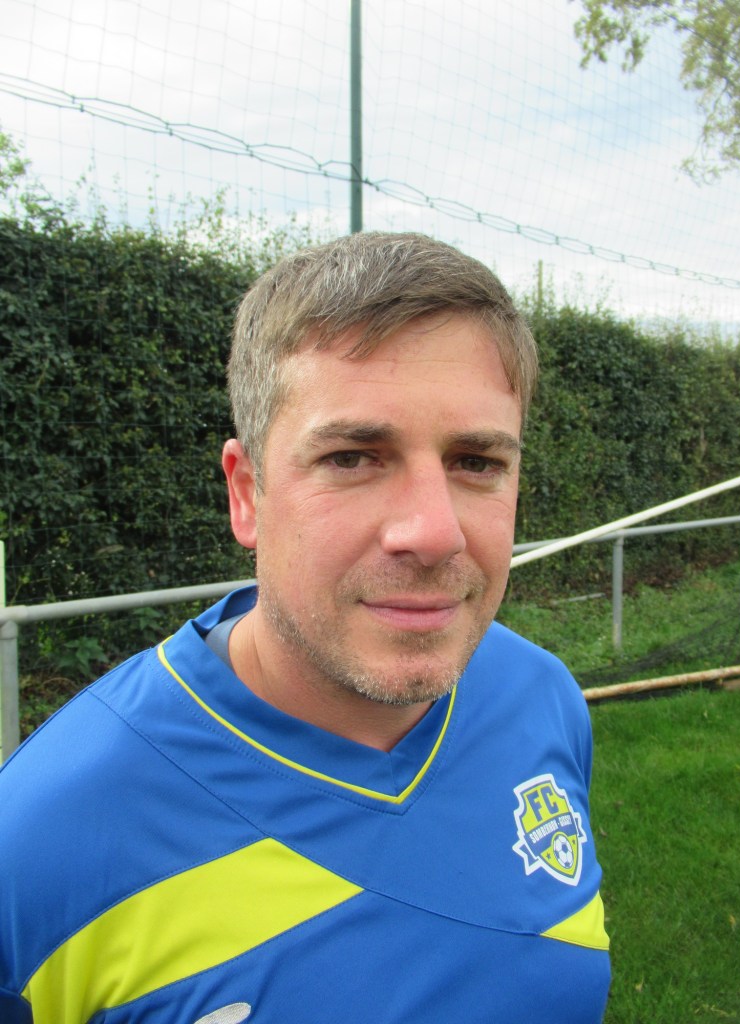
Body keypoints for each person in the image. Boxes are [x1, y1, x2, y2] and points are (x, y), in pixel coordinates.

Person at [0, 232, 610, 1023]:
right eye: (353, 457)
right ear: (246, 494)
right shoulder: (41, 842)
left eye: (477, 463)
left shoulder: (542, 697)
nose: (434, 532)